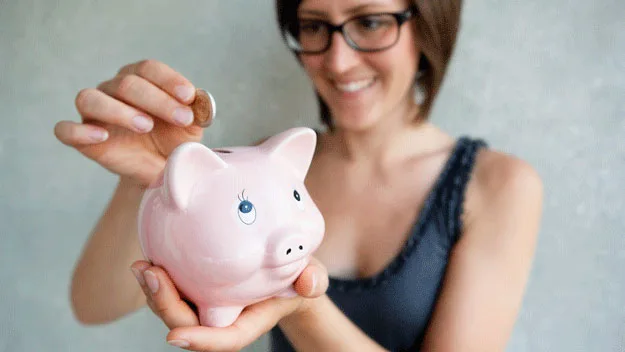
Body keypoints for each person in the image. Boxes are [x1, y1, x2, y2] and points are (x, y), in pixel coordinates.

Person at [55, 0, 544, 350]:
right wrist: (151, 181)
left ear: (429, 21)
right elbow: (93, 304)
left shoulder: (498, 186)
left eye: (371, 22)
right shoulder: (256, 170)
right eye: (314, 26)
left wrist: (300, 303)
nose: (337, 60)